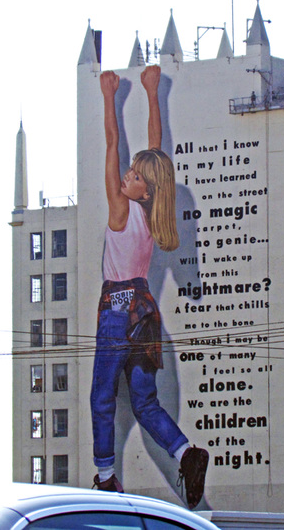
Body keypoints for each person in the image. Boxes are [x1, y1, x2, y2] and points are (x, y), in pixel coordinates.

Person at [91, 66, 208, 510]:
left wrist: (110, 98)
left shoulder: (121, 209)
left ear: (144, 186)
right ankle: (185, 452)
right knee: (145, 403)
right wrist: (151, 93)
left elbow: (111, 142)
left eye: (134, 174)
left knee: (102, 397)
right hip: (146, 314)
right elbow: (157, 148)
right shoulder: (154, 210)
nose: (126, 174)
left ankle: (106, 477)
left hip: (117, 309)